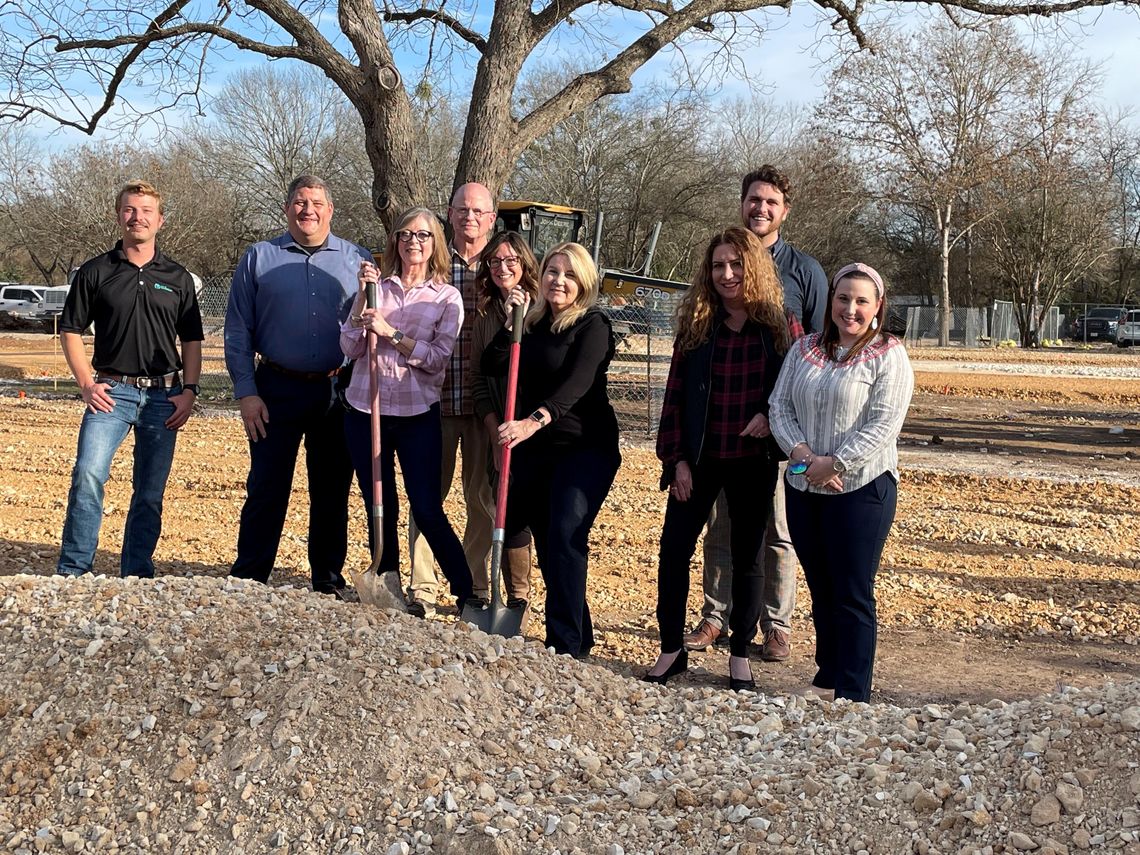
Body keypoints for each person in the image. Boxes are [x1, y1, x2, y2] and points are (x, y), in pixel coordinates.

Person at [685, 164, 829, 664]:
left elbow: (813, 352)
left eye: (771, 202)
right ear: (741, 203)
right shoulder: (722, 259)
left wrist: (777, 414)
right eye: (753, 200)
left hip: (782, 430)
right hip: (724, 427)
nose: (760, 208)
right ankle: (716, 614)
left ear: (784, 210)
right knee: (721, 525)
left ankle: (777, 624)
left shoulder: (805, 272)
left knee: (776, 529)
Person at [644, 228, 799, 691]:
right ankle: (671, 649)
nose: (727, 274)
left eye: (735, 264)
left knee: (748, 557)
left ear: (752, 266)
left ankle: (738, 656)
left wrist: (770, 417)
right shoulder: (697, 322)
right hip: (700, 459)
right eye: (717, 266)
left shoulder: (780, 324)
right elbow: (673, 398)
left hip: (752, 459)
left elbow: (794, 393)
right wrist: (676, 461)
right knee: (674, 550)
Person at [769, 262, 914, 702]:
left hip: (863, 488)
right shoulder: (805, 348)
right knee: (822, 587)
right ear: (830, 300)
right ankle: (828, 676)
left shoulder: (889, 354)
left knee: (852, 590)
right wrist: (807, 459)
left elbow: (884, 423)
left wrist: (837, 463)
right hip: (805, 486)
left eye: (861, 301)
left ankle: (853, 691)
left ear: (877, 308)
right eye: (843, 298)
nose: (850, 309)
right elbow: (779, 408)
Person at [224, 175, 372, 598]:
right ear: (287, 208)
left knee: (331, 490)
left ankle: (327, 579)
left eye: (317, 203)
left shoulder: (356, 259)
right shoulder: (259, 258)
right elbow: (237, 330)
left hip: (335, 390)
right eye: (300, 202)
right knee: (267, 485)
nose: (308, 210)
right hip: (274, 389)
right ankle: (250, 577)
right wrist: (246, 392)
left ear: (331, 209)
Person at [56, 180, 204, 578]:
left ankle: (136, 574)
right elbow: (70, 329)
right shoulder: (95, 271)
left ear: (160, 220)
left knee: (150, 493)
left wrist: (189, 391)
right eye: (129, 210)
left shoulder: (177, 277)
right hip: (110, 393)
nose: (137, 217)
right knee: (88, 475)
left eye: (146, 211)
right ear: (119, 215)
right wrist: (86, 382)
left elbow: (191, 339)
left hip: (163, 397)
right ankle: (73, 572)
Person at [482, 243, 620, 658]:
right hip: (537, 450)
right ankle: (579, 633)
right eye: (552, 271)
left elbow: (574, 387)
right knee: (551, 542)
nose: (558, 280)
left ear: (584, 282)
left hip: (584, 446)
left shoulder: (593, 325)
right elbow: (492, 364)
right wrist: (512, 323)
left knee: (565, 532)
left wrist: (531, 421)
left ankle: (566, 646)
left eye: (569, 274)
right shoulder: (535, 322)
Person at [340, 207, 474, 614]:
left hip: (417, 414)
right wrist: (362, 311)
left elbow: (436, 359)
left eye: (422, 235)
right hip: (367, 409)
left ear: (435, 243)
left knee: (427, 507)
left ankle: (468, 593)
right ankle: (388, 582)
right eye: (405, 235)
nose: (413, 242)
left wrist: (392, 333)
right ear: (395, 242)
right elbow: (348, 348)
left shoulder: (446, 297)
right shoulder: (375, 288)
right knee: (379, 501)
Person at [407, 183, 498, 616]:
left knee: (481, 499)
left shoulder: (503, 266)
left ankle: (475, 584)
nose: (470, 218)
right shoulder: (432, 263)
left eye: (479, 210)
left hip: (483, 407)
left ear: (492, 218)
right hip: (434, 401)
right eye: (462, 209)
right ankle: (422, 585)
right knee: (428, 497)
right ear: (450, 213)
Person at [468, 232, 541, 613]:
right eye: (495, 261)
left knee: (533, 512)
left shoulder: (543, 307)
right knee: (503, 506)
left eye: (511, 260)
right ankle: (513, 599)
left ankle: (524, 594)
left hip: (536, 425)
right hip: (500, 424)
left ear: (526, 264)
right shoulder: (484, 315)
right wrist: (495, 430)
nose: (502, 268)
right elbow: (478, 378)